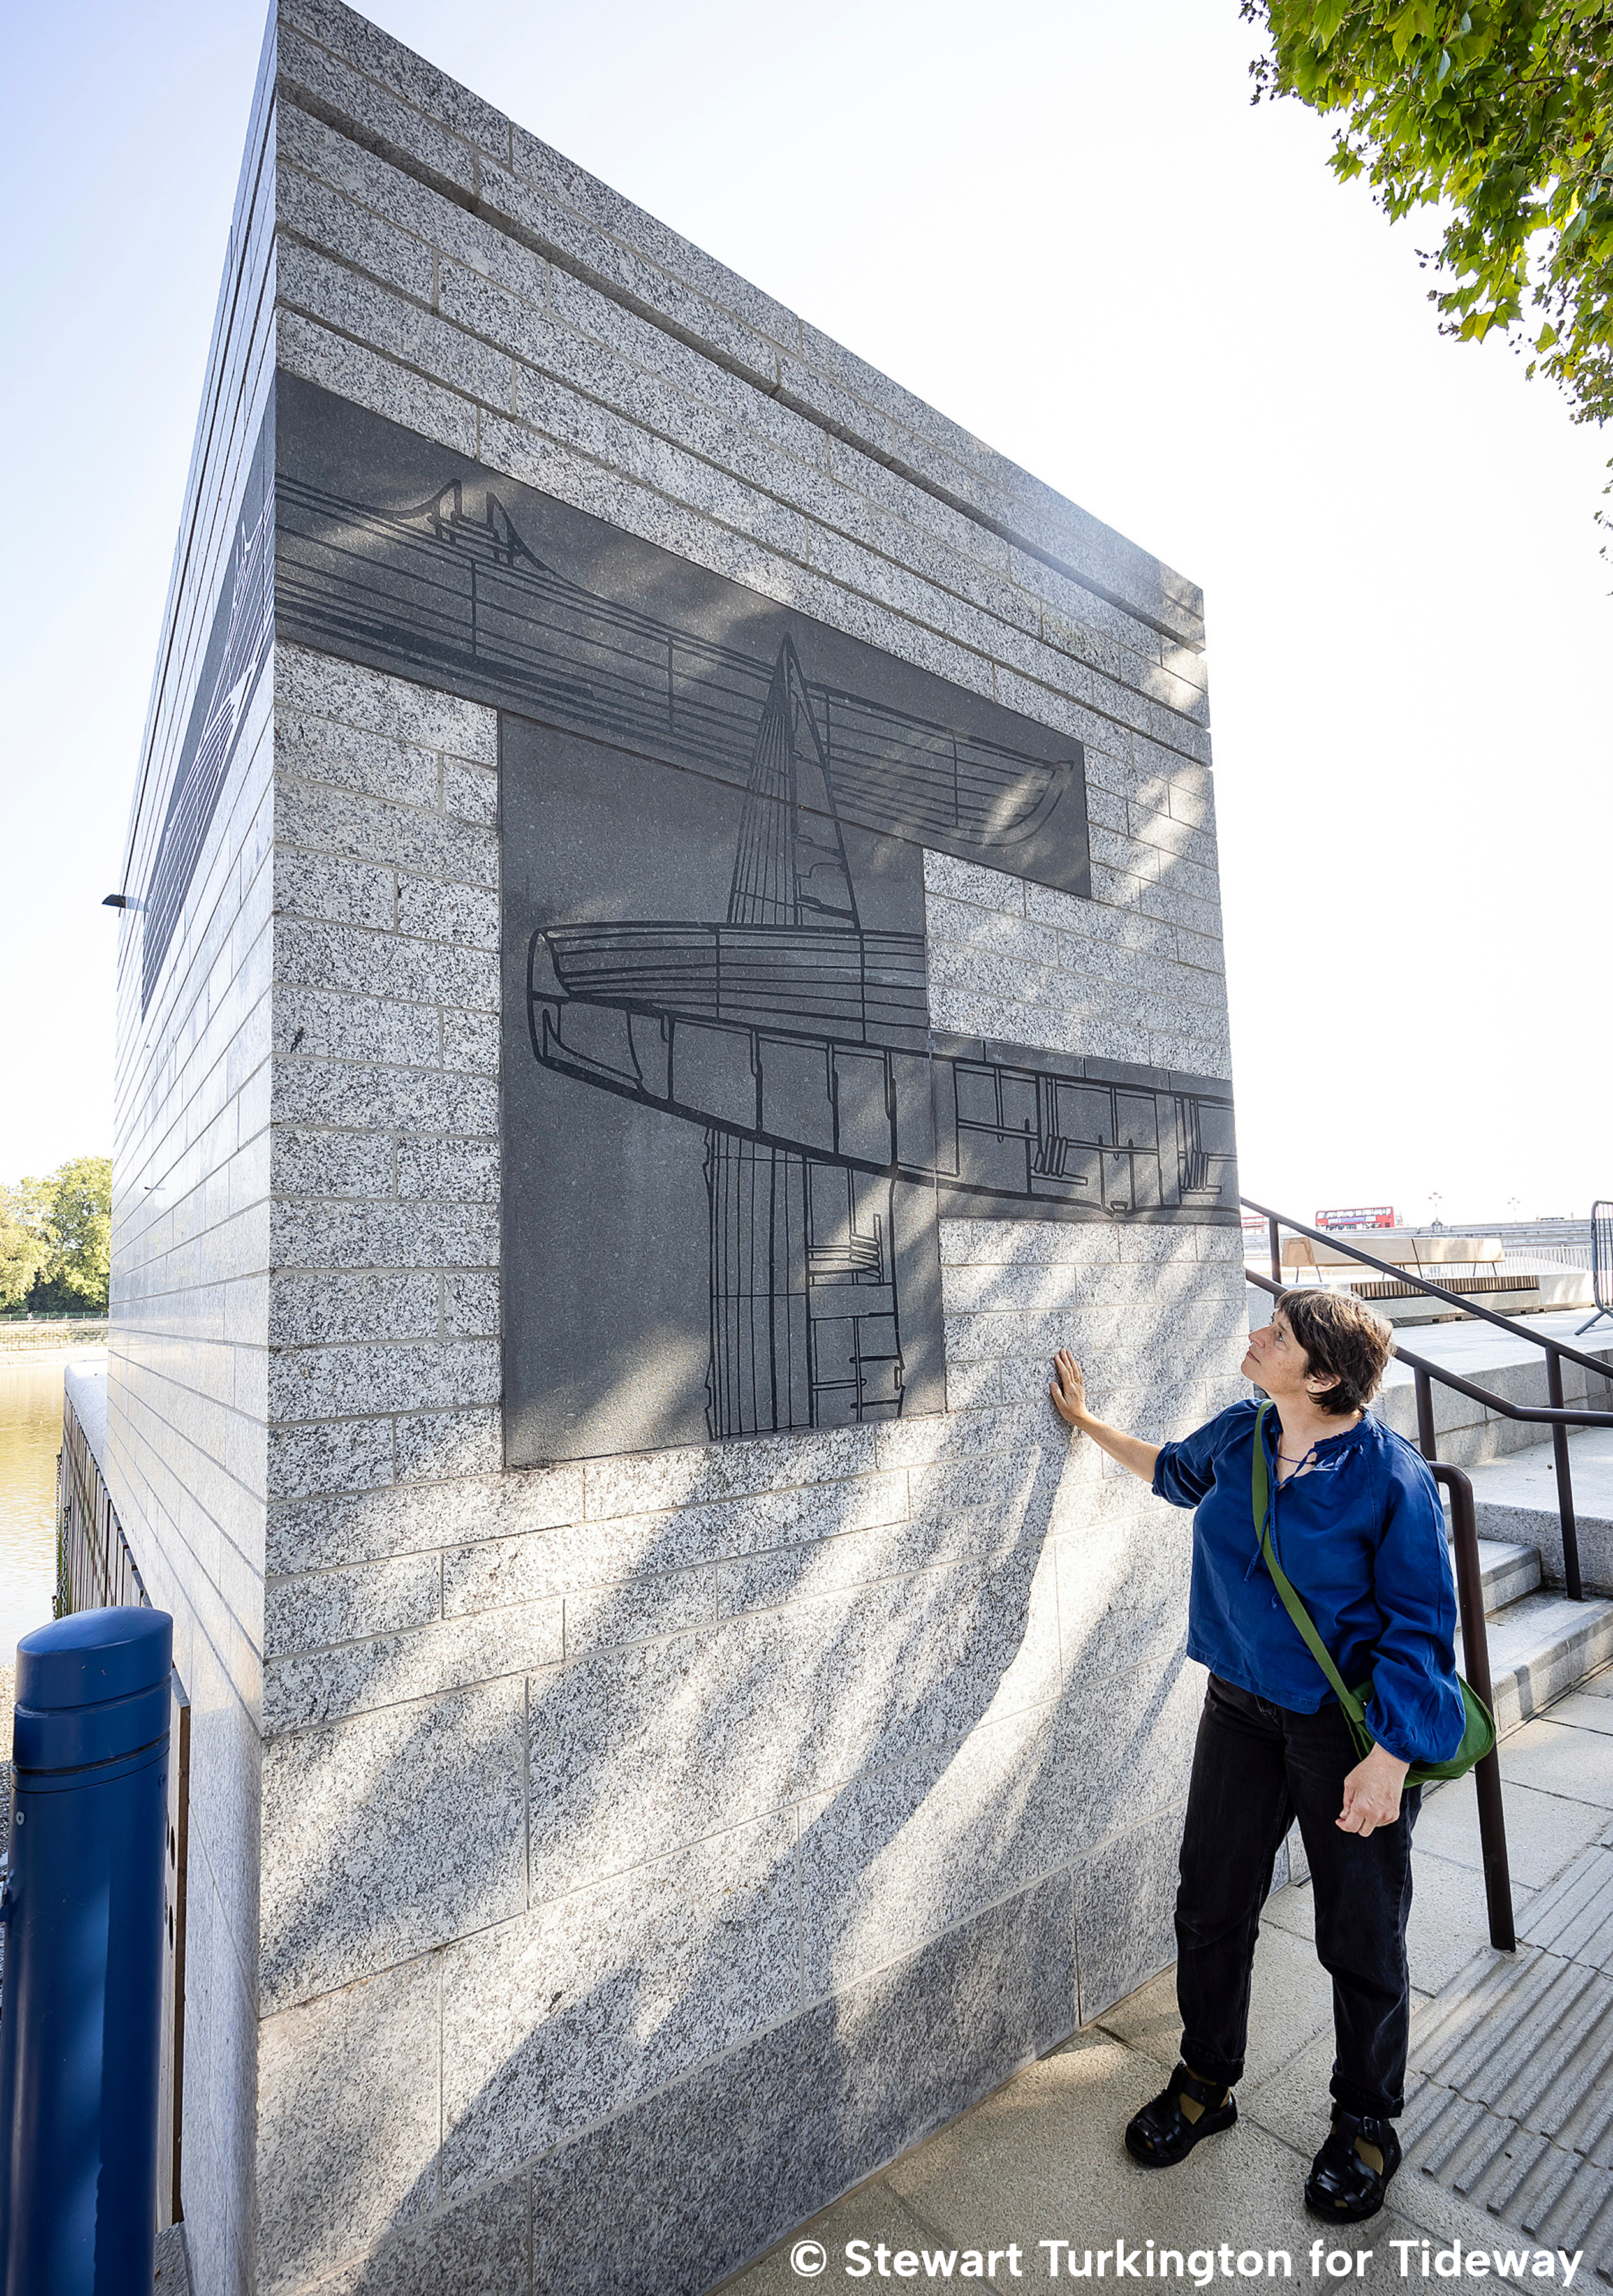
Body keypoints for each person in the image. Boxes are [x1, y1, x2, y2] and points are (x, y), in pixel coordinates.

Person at [1049, 1287, 1465, 2223]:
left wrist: (1390, 1756)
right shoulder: (1241, 1434)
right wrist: (1083, 1422)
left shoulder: (1389, 1478)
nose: (1254, 1337)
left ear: (1320, 1376)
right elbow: (1169, 1472)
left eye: (1274, 1337)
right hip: (1235, 1709)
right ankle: (1205, 2081)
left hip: (1338, 1732)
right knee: (1210, 1903)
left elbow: (1420, 1631)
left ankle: (1364, 2119)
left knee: (1357, 1933)